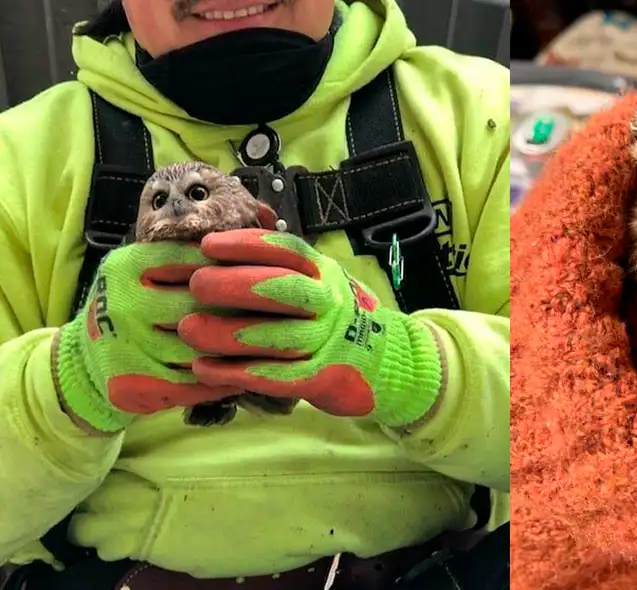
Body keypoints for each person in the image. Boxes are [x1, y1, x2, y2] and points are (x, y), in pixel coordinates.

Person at [0, 1, 510, 589]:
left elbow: (582, 426)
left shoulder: (480, 115)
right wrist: (66, 387)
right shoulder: (21, 160)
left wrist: (408, 366)